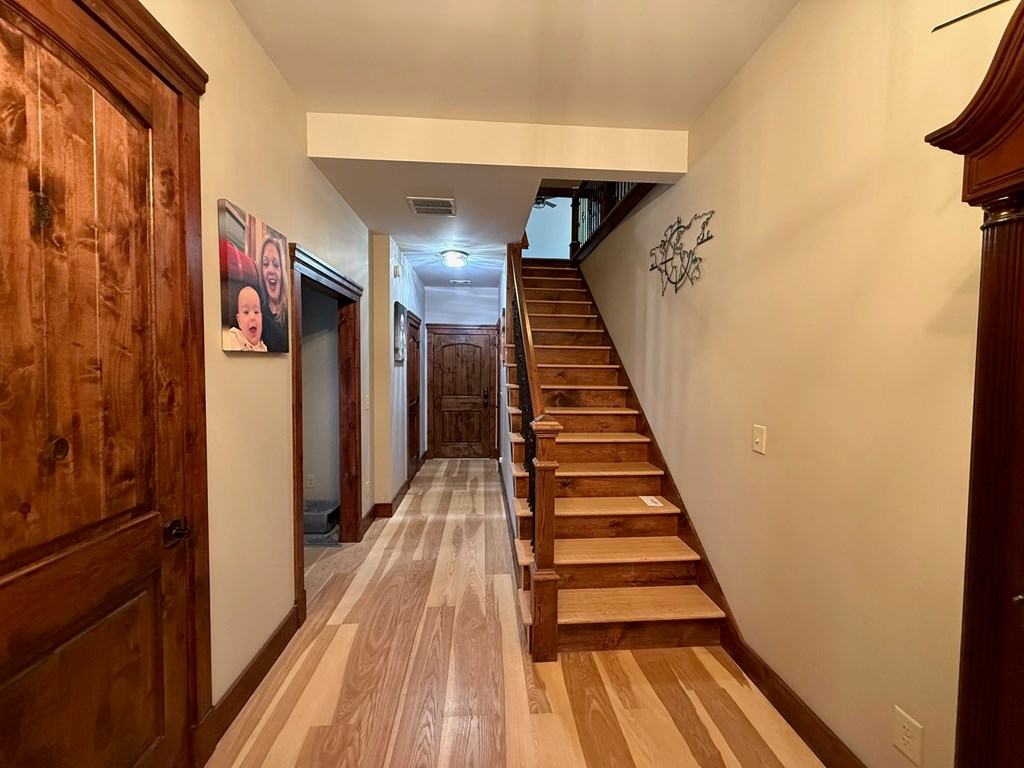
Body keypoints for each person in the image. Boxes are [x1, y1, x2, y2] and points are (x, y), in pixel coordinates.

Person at [258, 237, 289, 352]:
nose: (270, 270)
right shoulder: (259, 311)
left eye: (276, 265)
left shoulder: (291, 311)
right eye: (265, 264)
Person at [223, 285, 267, 352]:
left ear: (261, 318)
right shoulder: (234, 336)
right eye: (246, 312)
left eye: (256, 312)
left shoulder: (264, 348)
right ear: (239, 321)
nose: (252, 317)